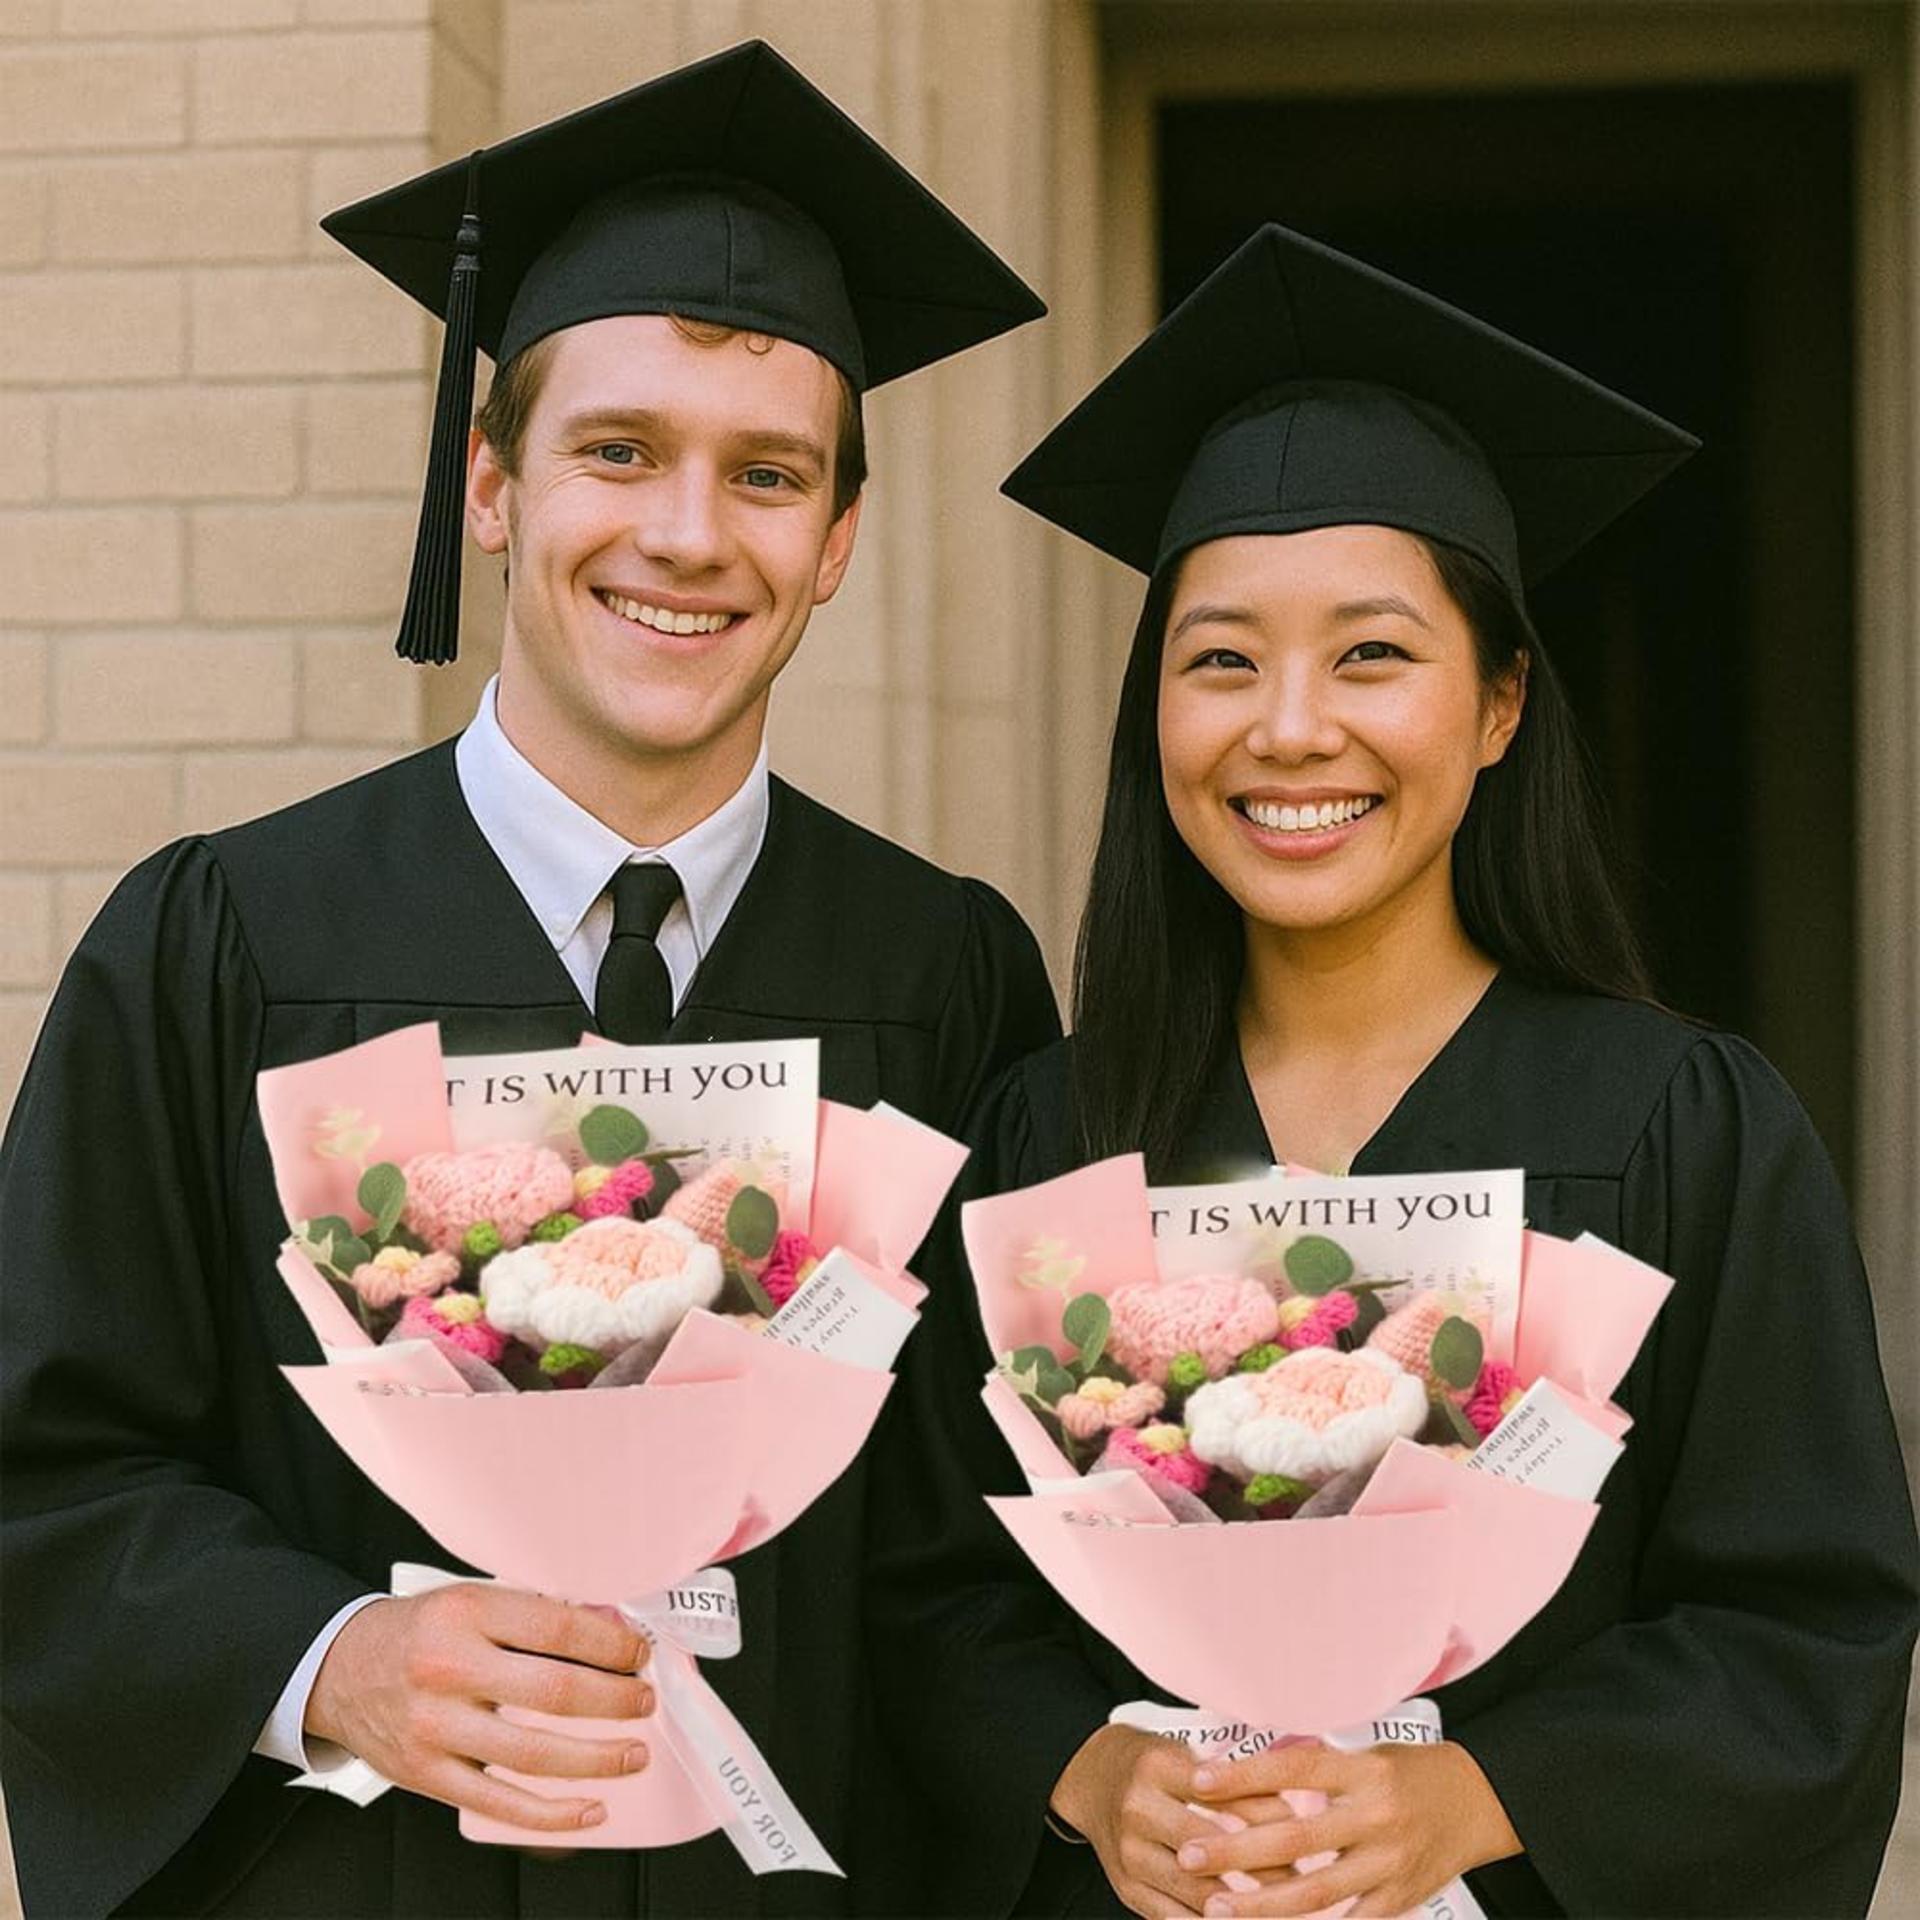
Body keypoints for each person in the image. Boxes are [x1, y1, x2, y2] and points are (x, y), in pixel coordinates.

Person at [0, 41, 1059, 1920]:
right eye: (618, 450)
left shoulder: (946, 981)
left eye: (768, 475)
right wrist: (326, 1661)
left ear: (837, 546)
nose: (685, 532)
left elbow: (992, 1553)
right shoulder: (225, 942)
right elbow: (44, 1470)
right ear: (490, 487)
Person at [870, 224, 1919, 1918]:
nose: (1290, 727)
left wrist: (1481, 1800)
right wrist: (1090, 1771)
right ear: (1156, 715)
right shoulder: (1047, 1146)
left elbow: (1805, 1633)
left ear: (1500, 704)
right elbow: (921, 1599)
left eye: (1372, 653)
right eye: (1220, 659)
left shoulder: (1680, 1130)